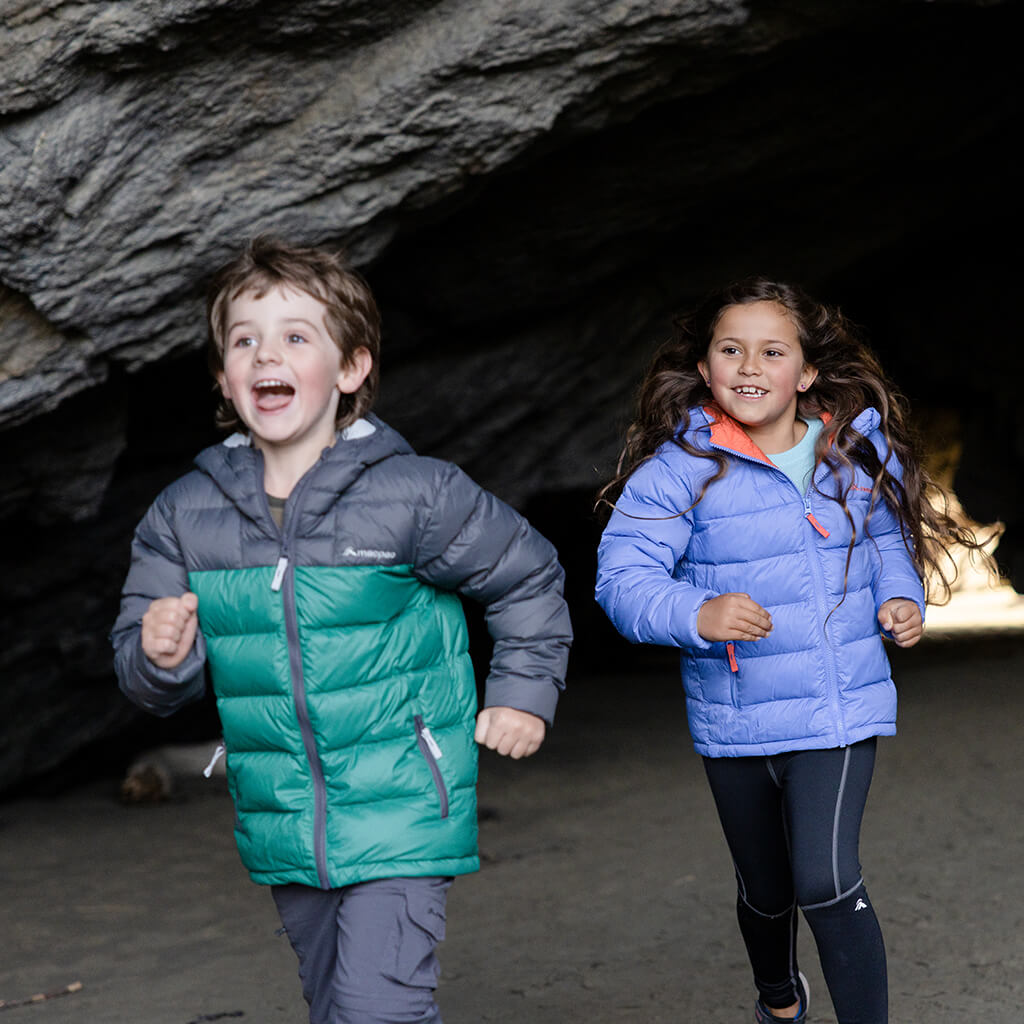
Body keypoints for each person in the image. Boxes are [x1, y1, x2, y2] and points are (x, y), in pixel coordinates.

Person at [111, 236, 572, 1024]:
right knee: (335, 1005)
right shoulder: (184, 515)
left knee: (376, 1011)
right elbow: (145, 672)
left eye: (297, 336)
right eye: (245, 340)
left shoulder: (415, 495)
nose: (267, 354)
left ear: (352, 370)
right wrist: (162, 652)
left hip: (403, 805)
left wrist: (523, 694)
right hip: (283, 814)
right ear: (224, 377)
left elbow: (527, 575)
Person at [594, 277, 984, 1024]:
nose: (748, 366)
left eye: (771, 352)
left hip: (838, 708)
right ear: (705, 370)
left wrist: (895, 597)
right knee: (766, 894)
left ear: (805, 373)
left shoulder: (855, 451)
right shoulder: (680, 471)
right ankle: (779, 996)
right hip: (735, 716)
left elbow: (885, 534)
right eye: (730, 350)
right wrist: (696, 611)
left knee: (827, 881)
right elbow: (622, 578)